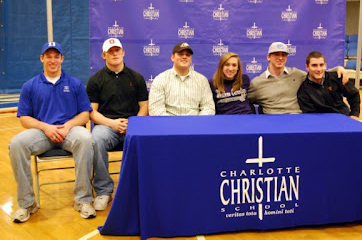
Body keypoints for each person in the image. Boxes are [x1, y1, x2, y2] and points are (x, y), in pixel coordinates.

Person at [9, 42, 95, 223]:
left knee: (86, 138)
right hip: (43, 133)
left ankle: (83, 200)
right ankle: (27, 203)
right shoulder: (30, 86)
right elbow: (24, 119)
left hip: (70, 131)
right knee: (16, 143)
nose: (53, 60)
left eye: (56, 56)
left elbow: (85, 114)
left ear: (62, 59)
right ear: (42, 58)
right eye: (48, 56)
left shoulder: (75, 84)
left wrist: (68, 125)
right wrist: (46, 127)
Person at [297, 51, 362, 198]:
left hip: (349, 121)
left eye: (321, 65)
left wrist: (354, 115)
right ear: (307, 67)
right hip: (328, 128)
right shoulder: (304, 90)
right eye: (314, 65)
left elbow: (354, 95)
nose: (318, 69)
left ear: (325, 65)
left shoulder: (336, 77)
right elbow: (311, 116)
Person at [86, 38, 149, 211]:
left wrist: (133, 124)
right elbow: (92, 112)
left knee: (147, 138)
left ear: (123, 53)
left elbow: (144, 106)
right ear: (103, 55)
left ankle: (137, 187)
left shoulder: (136, 77)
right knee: (96, 139)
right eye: (110, 51)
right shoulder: (95, 80)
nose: (114, 54)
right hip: (107, 127)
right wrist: (112, 124)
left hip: (133, 126)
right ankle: (104, 191)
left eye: (117, 50)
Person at [248, 42, 348, 114]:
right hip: (272, 122)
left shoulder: (296, 74)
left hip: (297, 119)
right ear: (268, 57)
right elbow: (246, 101)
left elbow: (316, 73)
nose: (280, 58)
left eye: (283, 55)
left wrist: (338, 68)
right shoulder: (257, 83)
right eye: (276, 54)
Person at [149, 42, 215, 116]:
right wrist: (172, 124)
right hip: (168, 125)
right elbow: (155, 109)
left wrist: (197, 123)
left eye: (188, 55)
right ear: (172, 57)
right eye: (180, 54)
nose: (184, 57)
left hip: (195, 124)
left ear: (191, 59)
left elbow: (209, 107)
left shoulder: (202, 80)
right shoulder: (160, 79)